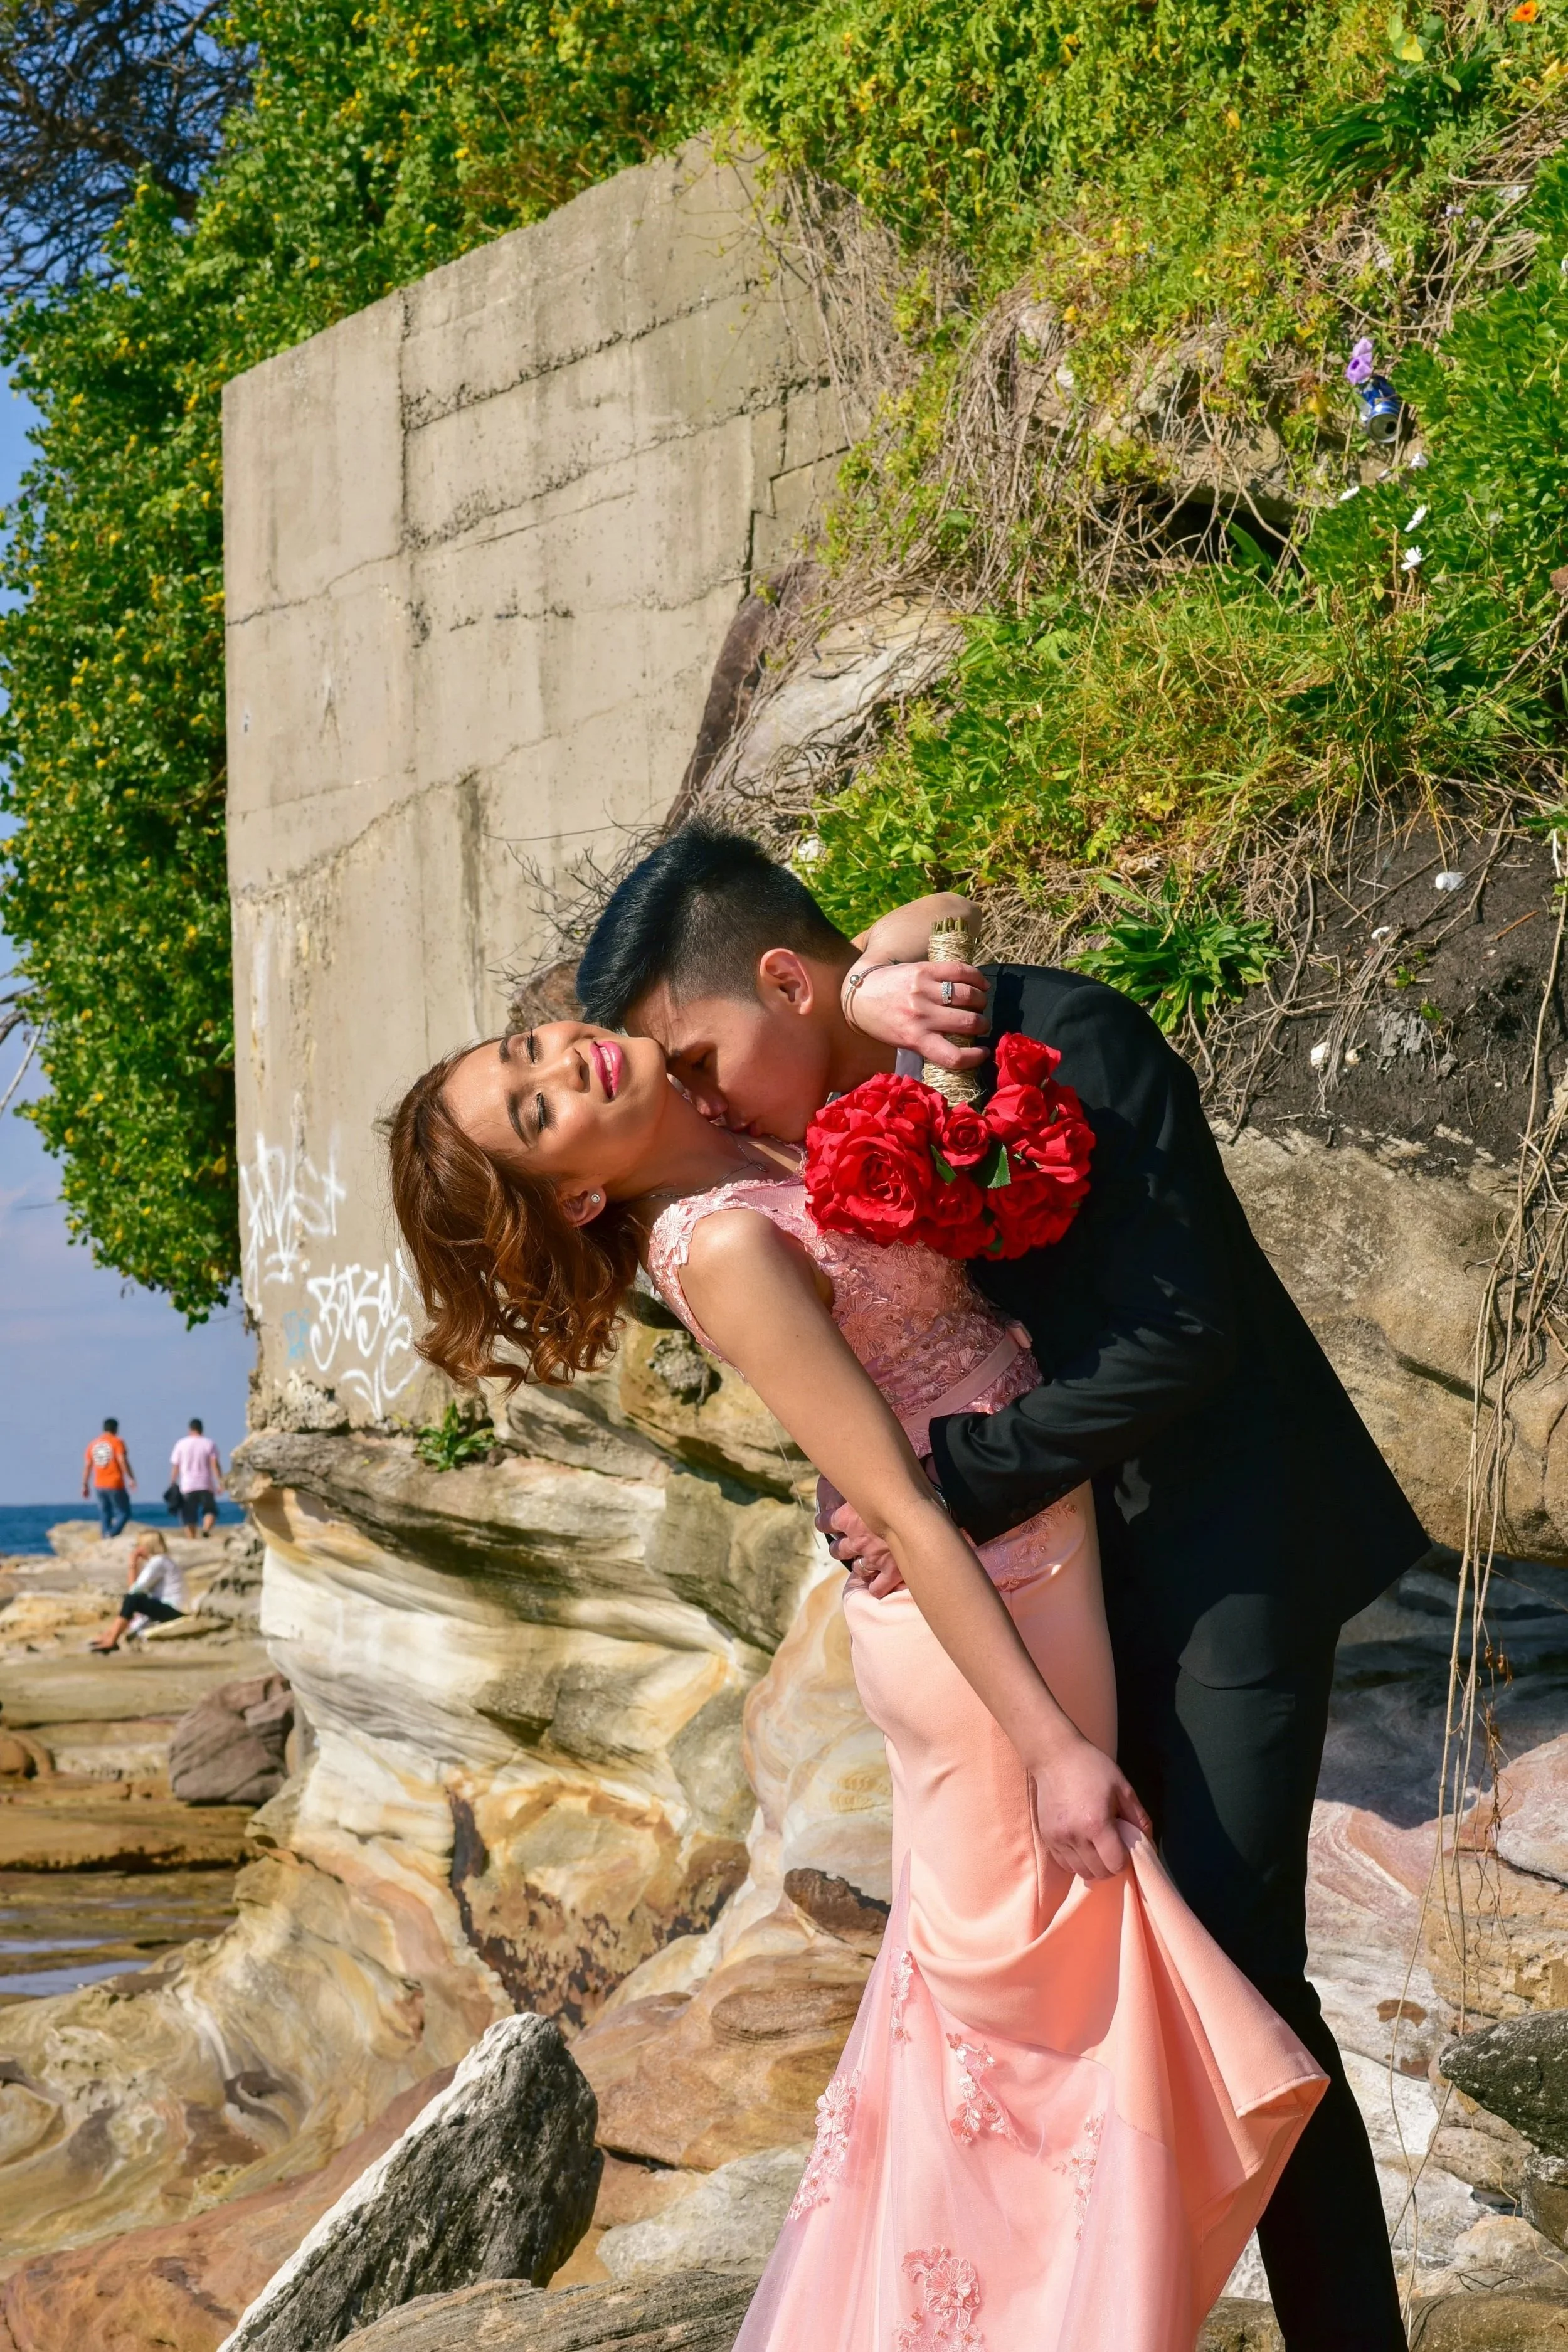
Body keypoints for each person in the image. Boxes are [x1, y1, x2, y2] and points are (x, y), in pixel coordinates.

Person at [569, 826, 1431, 2350]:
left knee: (1238, 1973)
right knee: (1112, 2001)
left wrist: (935, 1491)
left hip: (1224, 1549)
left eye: (699, 1056)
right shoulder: (833, 1122)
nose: (700, 1100)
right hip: (1054, 1605)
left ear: (783, 979)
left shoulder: (1061, 1037)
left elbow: (1181, 1344)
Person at [386, 1000, 1328, 2351]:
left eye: (530, 1048)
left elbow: (918, 928)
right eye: (533, 1109)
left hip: (1033, 1572)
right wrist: (1052, 1749)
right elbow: (898, 1505)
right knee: (1031, 2048)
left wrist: (875, 987)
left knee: (1006, 2049)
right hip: (980, 1632)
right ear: (576, 1186)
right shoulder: (718, 1249)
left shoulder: (737, 1145)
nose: (561, 1062)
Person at [89, 1529, 186, 1651]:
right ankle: (110, 1635)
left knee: (132, 1599)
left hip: (173, 1611)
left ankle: (112, 1639)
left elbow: (134, 1590)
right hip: (171, 1608)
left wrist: (133, 1562)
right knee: (132, 1600)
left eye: (139, 1545)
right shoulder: (162, 1561)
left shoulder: (158, 1562)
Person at [82, 1416, 135, 1537]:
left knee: (105, 1513)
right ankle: (112, 1534)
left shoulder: (93, 1444)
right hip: (115, 1483)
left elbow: (88, 1466)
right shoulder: (117, 1442)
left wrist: (84, 1484)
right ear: (116, 1429)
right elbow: (122, 1460)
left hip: (99, 1484)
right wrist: (130, 1478)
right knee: (124, 1513)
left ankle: (105, 1535)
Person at [170, 1417, 223, 1535]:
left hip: (187, 1485)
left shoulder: (181, 1444)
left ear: (190, 1429)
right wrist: (220, 1481)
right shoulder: (209, 1443)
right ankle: (206, 1530)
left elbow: (176, 1466)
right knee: (210, 1511)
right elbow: (214, 1464)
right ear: (202, 1430)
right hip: (205, 1484)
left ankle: (192, 1539)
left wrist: (173, 1482)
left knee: (189, 1515)